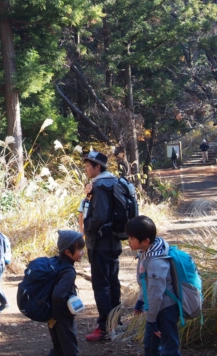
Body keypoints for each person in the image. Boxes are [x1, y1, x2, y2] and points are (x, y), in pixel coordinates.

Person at [77, 150, 122, 342]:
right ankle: (114, 323)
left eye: (89, 165)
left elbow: (100, 216)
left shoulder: (100, 186)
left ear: (98, 167)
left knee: (101, 285)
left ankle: (104, 328)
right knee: (112, 282)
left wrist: (86, 227)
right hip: (113, 241)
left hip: (100, 243)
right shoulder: (113, 182)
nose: (86, 168)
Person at [126, 215, 180, 356]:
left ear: (145, 241)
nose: (128, 241)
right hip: (155, 310)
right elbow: (146, 283)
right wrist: (141, 300)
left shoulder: (156, 262)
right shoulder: (145, 253)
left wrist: (151, 320)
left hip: (165, 309)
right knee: (150, 346)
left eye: (131, 238)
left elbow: (156, 294)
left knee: (169, 348)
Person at [47, 230, 86, 356]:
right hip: (62, 316)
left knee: (58, 348)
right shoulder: (69, 271)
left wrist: (52, 315)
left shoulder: (56, 263)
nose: (82, 252)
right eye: (79, 249)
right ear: (68, 252)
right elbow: (58, 295)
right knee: (70, 349)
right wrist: (57, 315)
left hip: (51, 314)